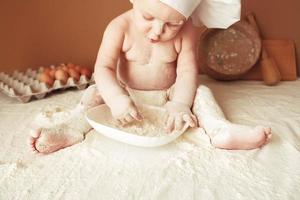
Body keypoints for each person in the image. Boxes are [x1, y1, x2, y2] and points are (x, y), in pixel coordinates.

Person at [28, 0, 271, 154]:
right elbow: (103, 68)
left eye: (172, 24)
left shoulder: (187, 32)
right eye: (148, 18)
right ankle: (71, 128)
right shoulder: (119, 27)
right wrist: (115, 99)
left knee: (201, 92)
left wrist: (180, 103)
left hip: (168, 96)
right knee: (93, 92)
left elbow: (187, 71)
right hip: (126, 93)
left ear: (185, 19)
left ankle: (220, 131)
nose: (158, 31)